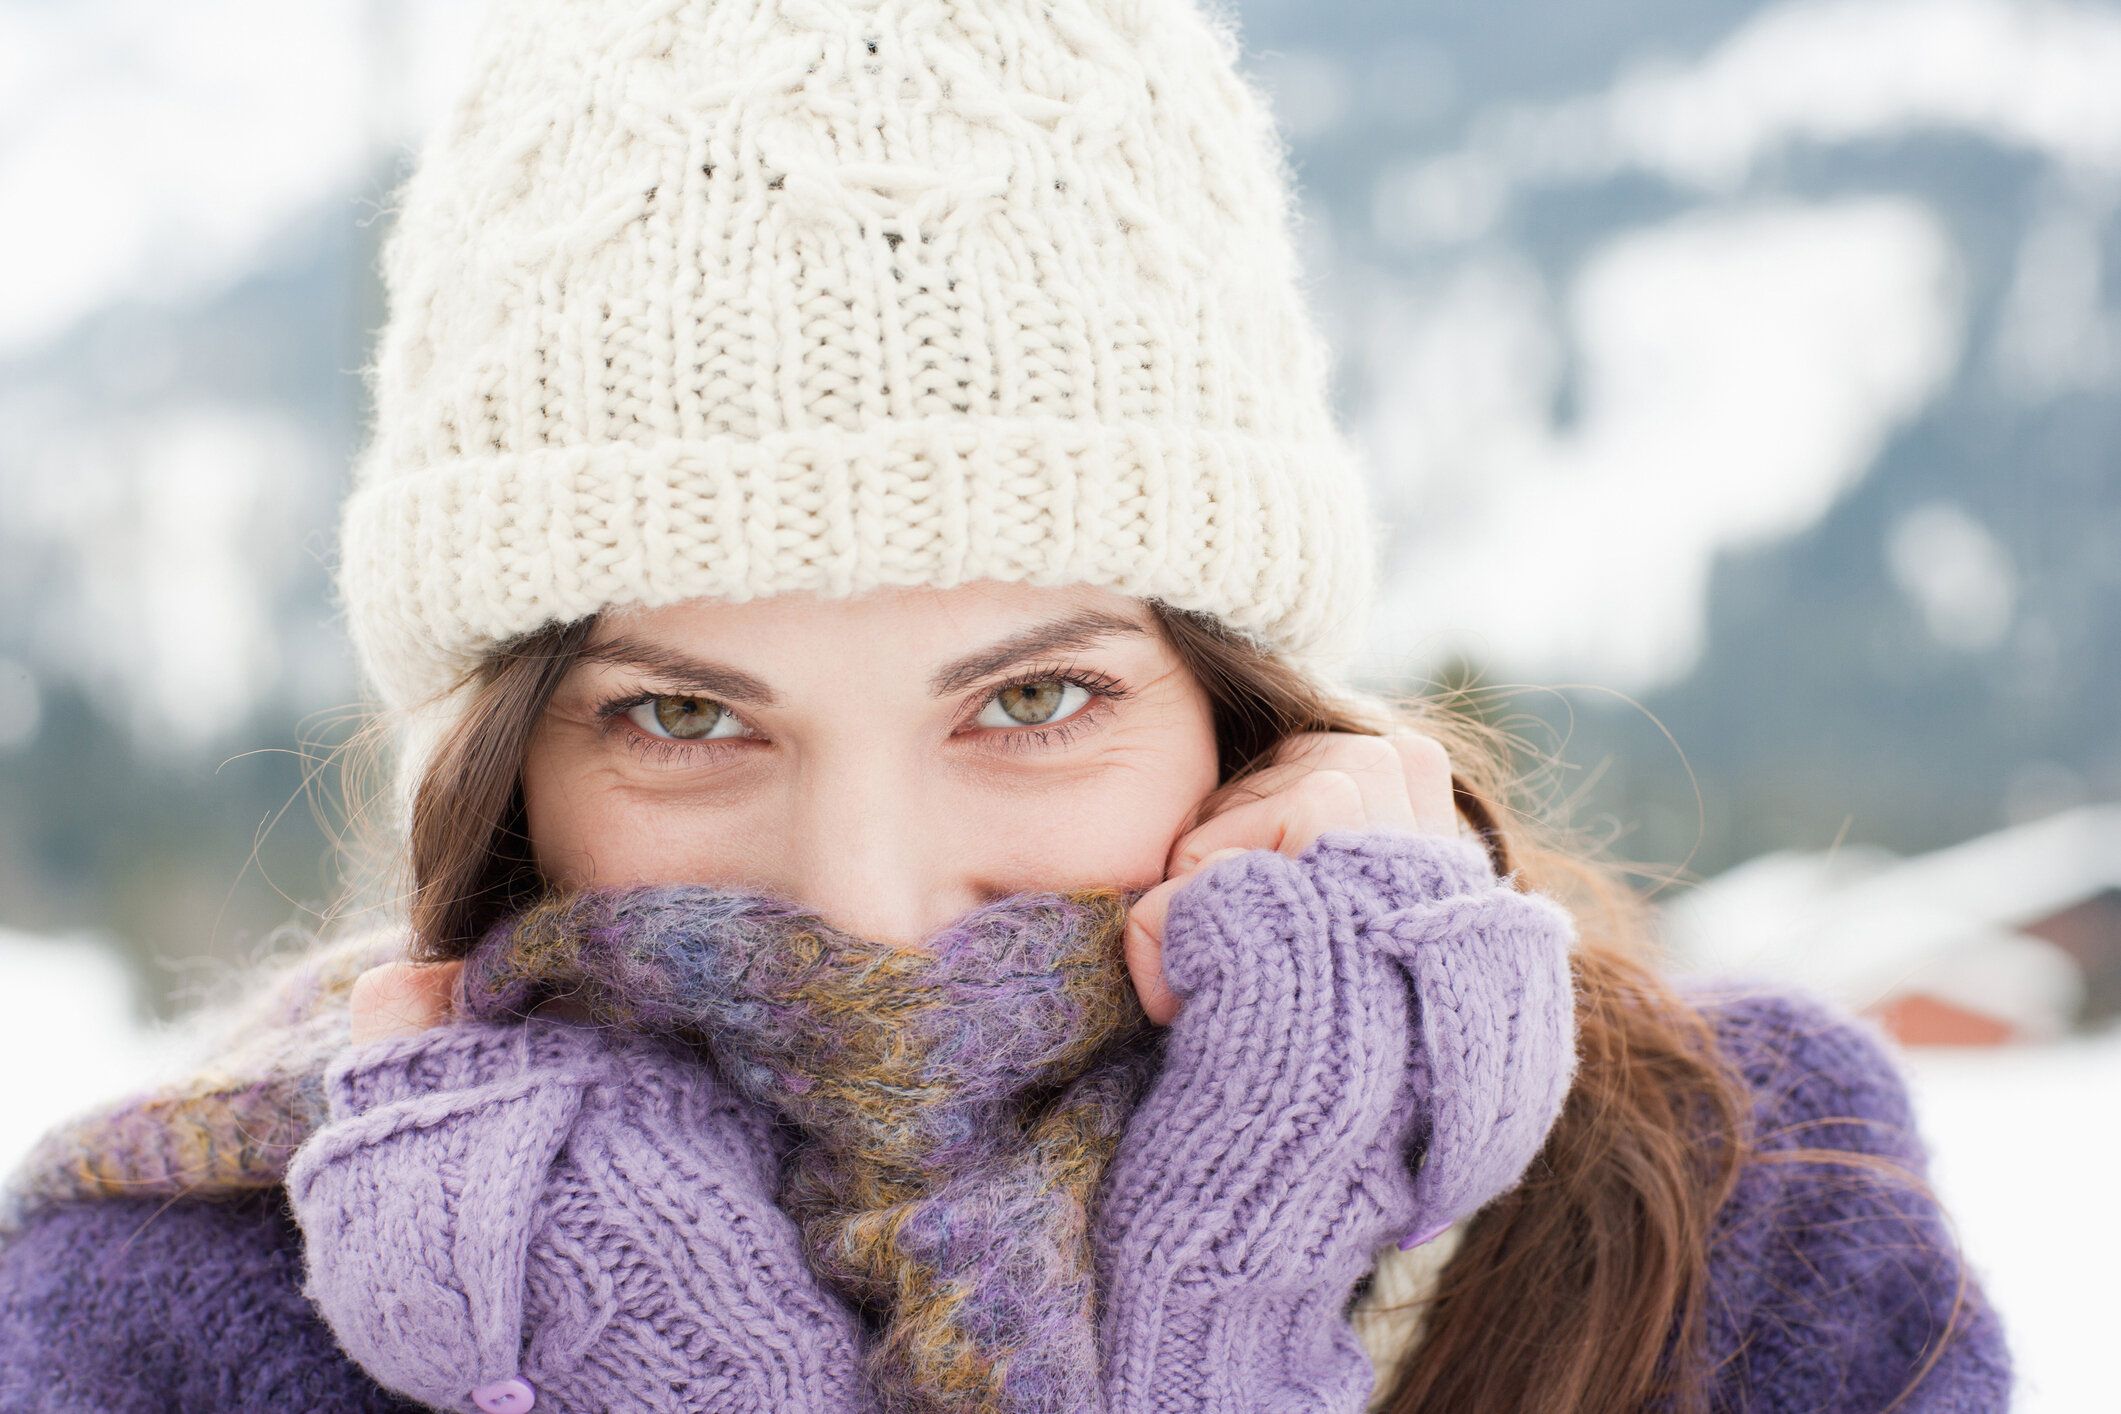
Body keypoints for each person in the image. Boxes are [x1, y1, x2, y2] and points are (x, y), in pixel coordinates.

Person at [0, 0, 2012, 1411]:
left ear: (1246, 706)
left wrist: (1226, 1326)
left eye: (1032, 695)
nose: (872, 901)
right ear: (505, 759)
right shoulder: (183, 1311)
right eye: (684, 720)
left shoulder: (1726, 1208)